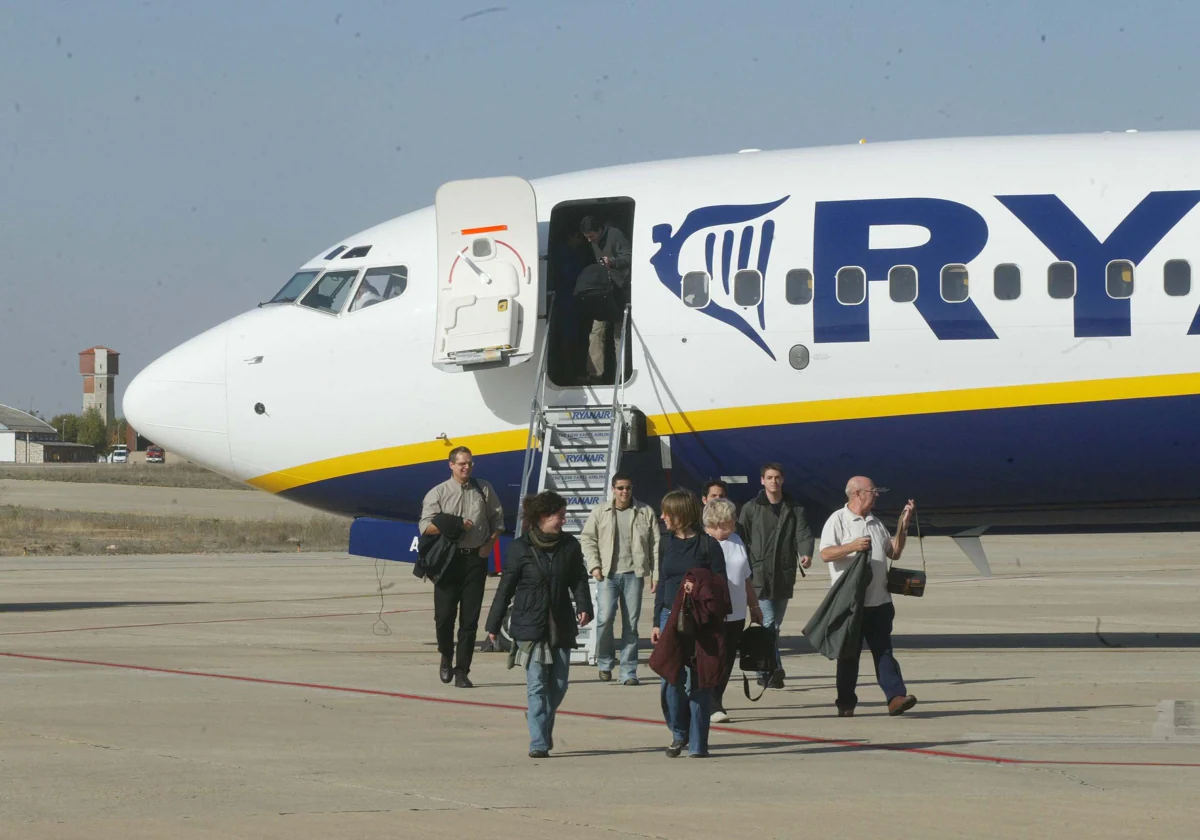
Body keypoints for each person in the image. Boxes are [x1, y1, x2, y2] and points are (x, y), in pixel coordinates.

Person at [485, 491, 594, 758]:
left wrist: (584, 606)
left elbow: (579, 579)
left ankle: (539, 718)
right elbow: (506, 587)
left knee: (558, 685)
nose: (563, 520)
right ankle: (538, 742)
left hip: (560, 622)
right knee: (536, 685)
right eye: (559, 515)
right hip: (530, 625)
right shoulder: (521, 548)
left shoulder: (569, 545)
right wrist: (493, 622)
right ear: (543, 517)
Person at [819, 476, 918, 717]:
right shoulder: (838, 520)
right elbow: (826, 554)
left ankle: (895, 697)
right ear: (857, 494)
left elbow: (893, 552)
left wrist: (902, 528)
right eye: (873, 491)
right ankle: (845, 702)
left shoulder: (875, 522)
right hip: (851, 605)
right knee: (848, 656)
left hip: (879, 602)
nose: (877, 495)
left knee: (883, 651)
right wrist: (851, 547)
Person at [419, 446, 504, 688]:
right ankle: (446, 654)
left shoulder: (483, 488)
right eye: (461, 464)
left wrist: (490, 544)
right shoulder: (438, 493)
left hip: (475, 560)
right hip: (448, 562)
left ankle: (462, 671)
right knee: (444, 617)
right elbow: (425, 527)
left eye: (469, 463)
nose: (466, 467)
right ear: (451, 465)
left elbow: (497, 519)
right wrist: (453, 525)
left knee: (470, 620)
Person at [650, 488, 726, 757]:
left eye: (667, 513)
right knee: (669, 678)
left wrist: (700, 586)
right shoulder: (665, 543)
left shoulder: (709, 545)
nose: (663, 517)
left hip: (701, 620)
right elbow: (662, 582)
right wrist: (656, 620)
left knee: (700, 681)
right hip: (670, 616)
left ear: (680, 514)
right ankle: (678, 732)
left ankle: (697, 744)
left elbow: (720, 584)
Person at [737, 462, 813, 689]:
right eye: (769, 477)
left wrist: (805, 554)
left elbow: (803, 534)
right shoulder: (751, 508)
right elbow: (742, 537)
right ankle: (772, 669)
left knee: (774, 626)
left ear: (783, 480)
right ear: (762, 480)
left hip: (783, 574)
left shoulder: (794, 508)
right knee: (768, 623)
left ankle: (763, 670)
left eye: (777, 477)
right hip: (759, 575)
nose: (774, 481)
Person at [579, 472, 660, 685]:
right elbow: (587, 539)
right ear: (613, 489)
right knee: (605, 620)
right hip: (608, 575)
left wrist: (656, 575)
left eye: (628, 488)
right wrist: (594, 566)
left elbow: (655, 545)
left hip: (634, 574)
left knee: (631, 625)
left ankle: (628, 671)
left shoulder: (645, 512)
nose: (625, 492)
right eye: (621, 488)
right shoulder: (600, 512)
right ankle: (605, 662)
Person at [703, 498, 763, 723]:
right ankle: (709, 703)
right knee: (713, 658)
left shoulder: (736, 540)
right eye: (731, 519)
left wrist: (754, 605)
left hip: (737, 612)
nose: (735, 522)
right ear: (718, 521)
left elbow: (745, 576)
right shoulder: (703, 543)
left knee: (727, 659)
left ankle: (716, 700)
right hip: (712, 612)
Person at [579, 215, 632, 383]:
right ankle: (595, 374)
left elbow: (630, 256)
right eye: (586, 237)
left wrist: (613, 262)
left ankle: (622, 375)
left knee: (619, 335)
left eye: (591, 236)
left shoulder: (615, 235)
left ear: (600, 230)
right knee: (596, 333)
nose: (589, 241)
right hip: (603, 293)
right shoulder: (594, 243)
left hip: (619, 292)